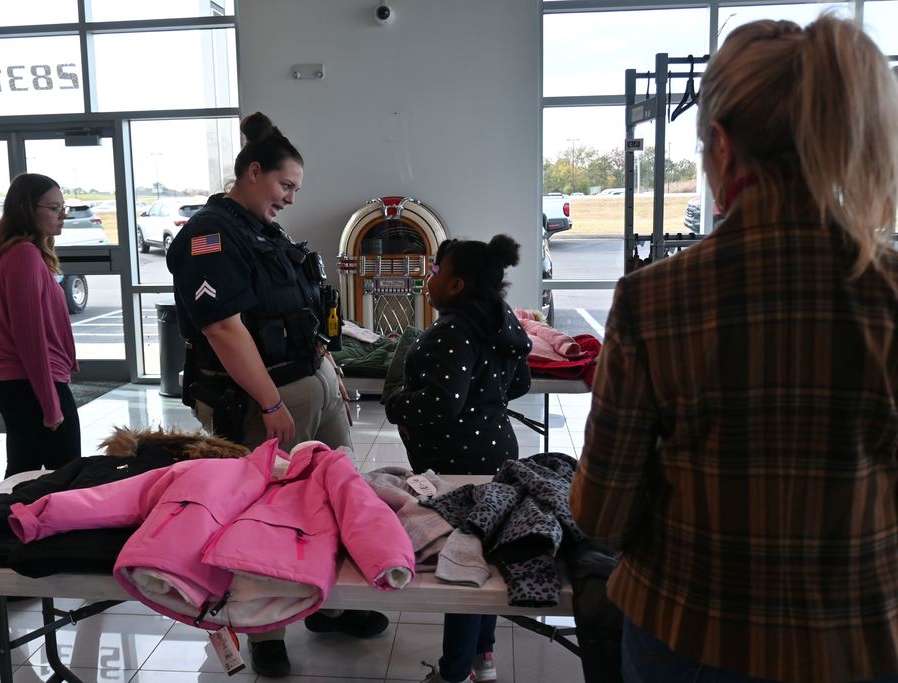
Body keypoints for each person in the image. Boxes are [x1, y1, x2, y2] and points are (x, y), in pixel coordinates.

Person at [570, 15, 898, 683]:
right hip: (862, 640)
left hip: (689, 636)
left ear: (720, 145)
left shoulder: (653, 299)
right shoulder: (887, 291)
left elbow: (601, 513)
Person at [166, 112, 385, 678]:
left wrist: (328, 364)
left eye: (295, 190)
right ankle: (265, 629)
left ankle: (329, 605)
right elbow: (223, 328)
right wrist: (270, 403)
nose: (290, 198)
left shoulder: (267, 232)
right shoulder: (208, 236)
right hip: (262, 403)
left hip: (311, 384)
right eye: (285, 185)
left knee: (333, 497)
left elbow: (297, 311)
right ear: (253, 171)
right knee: (264, 515)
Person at [385, 234, 532, 683]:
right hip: (497, 450)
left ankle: (452, 673)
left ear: (457, 284)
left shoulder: (453, 329)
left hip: (459, 466)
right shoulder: (501, 320)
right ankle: (482, 659)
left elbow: (443, 404)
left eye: (436, 271)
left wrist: (395, 404)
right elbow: (521, 383)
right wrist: (488, 403)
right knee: (481, 561)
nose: (429, 278)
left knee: (461, 566)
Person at [0, 173, 81, 479]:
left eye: (63, 208)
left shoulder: (21, 254)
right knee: (66, 478)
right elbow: (30, 338)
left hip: (20, 385)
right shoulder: (24, 255)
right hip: (31, 386)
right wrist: (50, 404)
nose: (62, 215)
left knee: (20, 476)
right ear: (27, 209)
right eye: (54, 208)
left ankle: (2, 525)